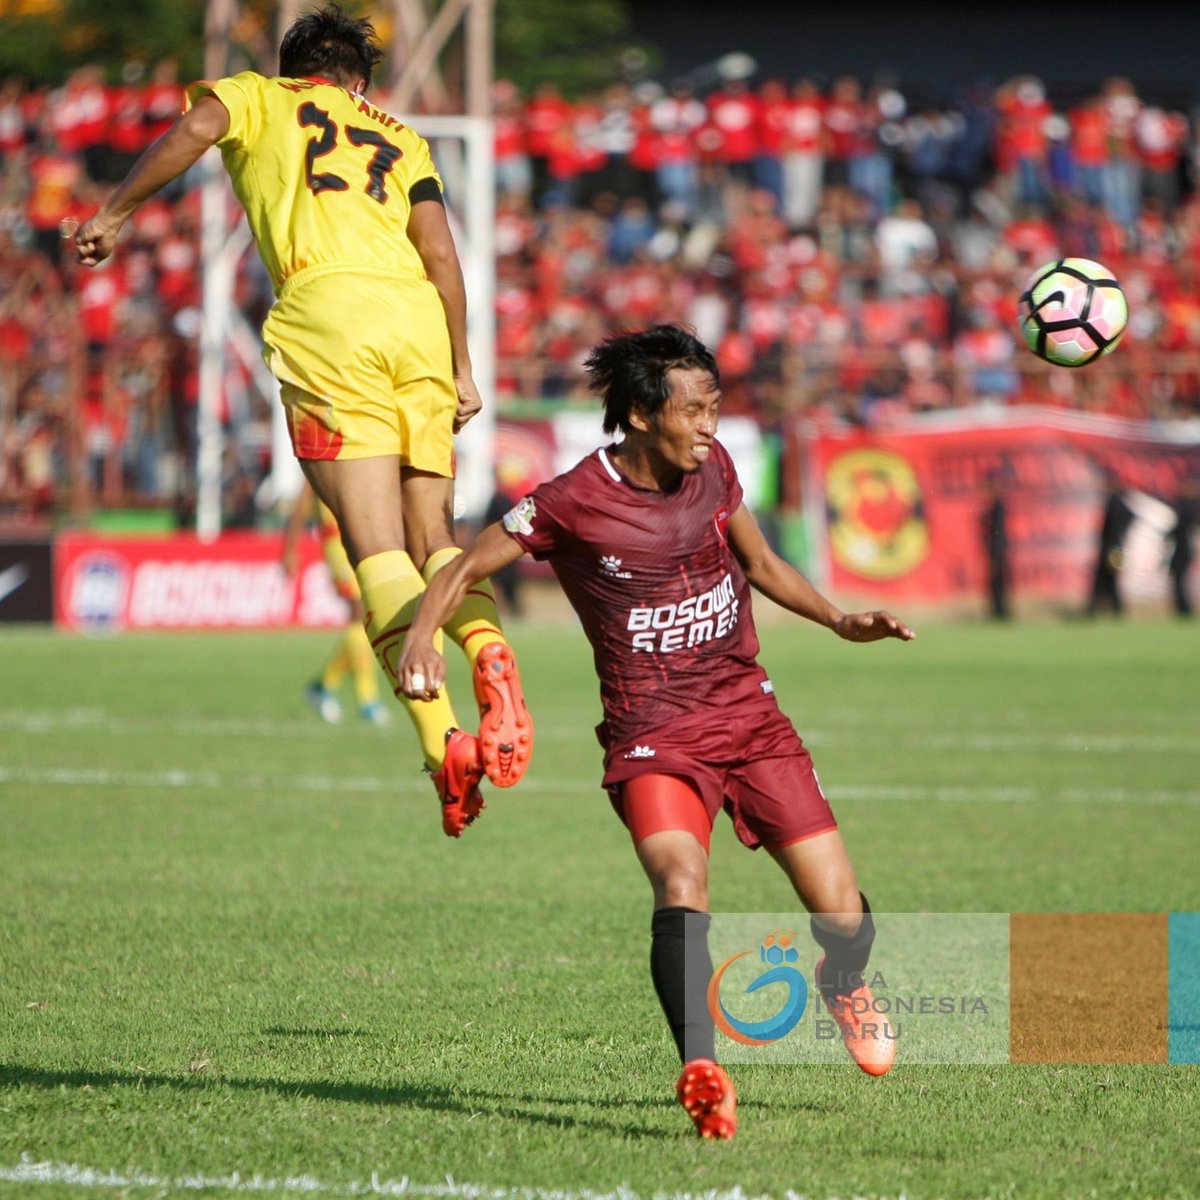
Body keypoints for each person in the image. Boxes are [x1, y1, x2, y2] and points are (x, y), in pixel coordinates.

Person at [396, 325, 915, 1139]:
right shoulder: (571, 499)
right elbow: (463, 565)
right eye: (696, 409)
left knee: (843, 916)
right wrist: (424, 637)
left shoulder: (716, 472)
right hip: (652, 735)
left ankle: (843, 980)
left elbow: (763, 566)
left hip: (751, 720)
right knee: (679, 882)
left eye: (716, 407)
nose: (711, 424)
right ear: (641, 415)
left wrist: (838, 619)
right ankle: (701, 1067)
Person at [73, 4, 532, 836]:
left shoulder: (257, 95)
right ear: (358, 81)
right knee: (439, 541)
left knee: (376, 553)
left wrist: (114, 211)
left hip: (332, 315)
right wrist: (462, 362)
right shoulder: (402, 138)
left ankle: (443, 745)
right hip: (419, 323)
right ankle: (488, 648)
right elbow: (441, 253)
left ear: (295, 67)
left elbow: (189, 134)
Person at [281, 480, 389, 726]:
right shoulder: (322, 453)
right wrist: (290, 549)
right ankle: (367, 700)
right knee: (358, 613)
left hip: (361, 542)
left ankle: (323, 685)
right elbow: (302, 504)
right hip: (338, 545)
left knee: (365, 619)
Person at [1086, 471, 1134, 617]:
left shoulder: (1115, 501)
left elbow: (1126, 518)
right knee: (1106, 579)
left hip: (1112, 548)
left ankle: (1103, 610)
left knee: (1108, 578)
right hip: (1114, 547)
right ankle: (1104, 610)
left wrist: (1118, 535)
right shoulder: (1117, 501)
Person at [1165, 476, 1198, 617]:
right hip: (1183, 548)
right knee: (1179, 579)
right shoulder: (1189, 506)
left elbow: (1180, 528)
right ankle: (1183, 608)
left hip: (1182, 549)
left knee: (1180, 579)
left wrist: (1169, 534)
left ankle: (1184, 608)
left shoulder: (1187, 506)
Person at [980, 472, 1011, 620]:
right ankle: (998, 612)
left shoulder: (998, 507)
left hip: (997, 551)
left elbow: (999, 534)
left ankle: (1001, 612)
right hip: (996, 550)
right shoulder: (994, 506)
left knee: (999, 582)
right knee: (996, 583)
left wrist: (995, 555)